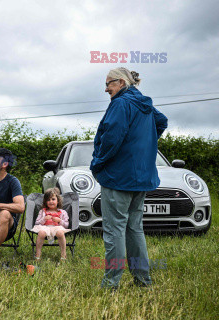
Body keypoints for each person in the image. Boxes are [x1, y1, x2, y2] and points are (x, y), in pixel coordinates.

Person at [90, 67, 168, 289]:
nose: (106, 89)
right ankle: (143, 281)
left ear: (122, 83)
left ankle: (110, 284)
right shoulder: (143, 103)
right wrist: (143, 142)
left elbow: (111, 138)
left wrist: (97, 163)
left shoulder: (121, 103)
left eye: (109, 84)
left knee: (114, 230)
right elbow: (161, 122)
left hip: (119, 177)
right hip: (141, 177)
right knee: (134, 228)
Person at [32, 188, 70, 260]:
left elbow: (66, 225)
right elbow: (36, 222)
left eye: (53, 199)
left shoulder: (62, 212)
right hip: (45, 227)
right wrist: (44, 219)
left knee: (60, 233)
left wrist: (59, 221)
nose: (51, 201)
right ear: (45, 202)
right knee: (41, 233)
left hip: (57, 228)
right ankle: (38, 254)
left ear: (58, 201)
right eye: (48, 200)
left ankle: (63, 255)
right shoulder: (42, 211)